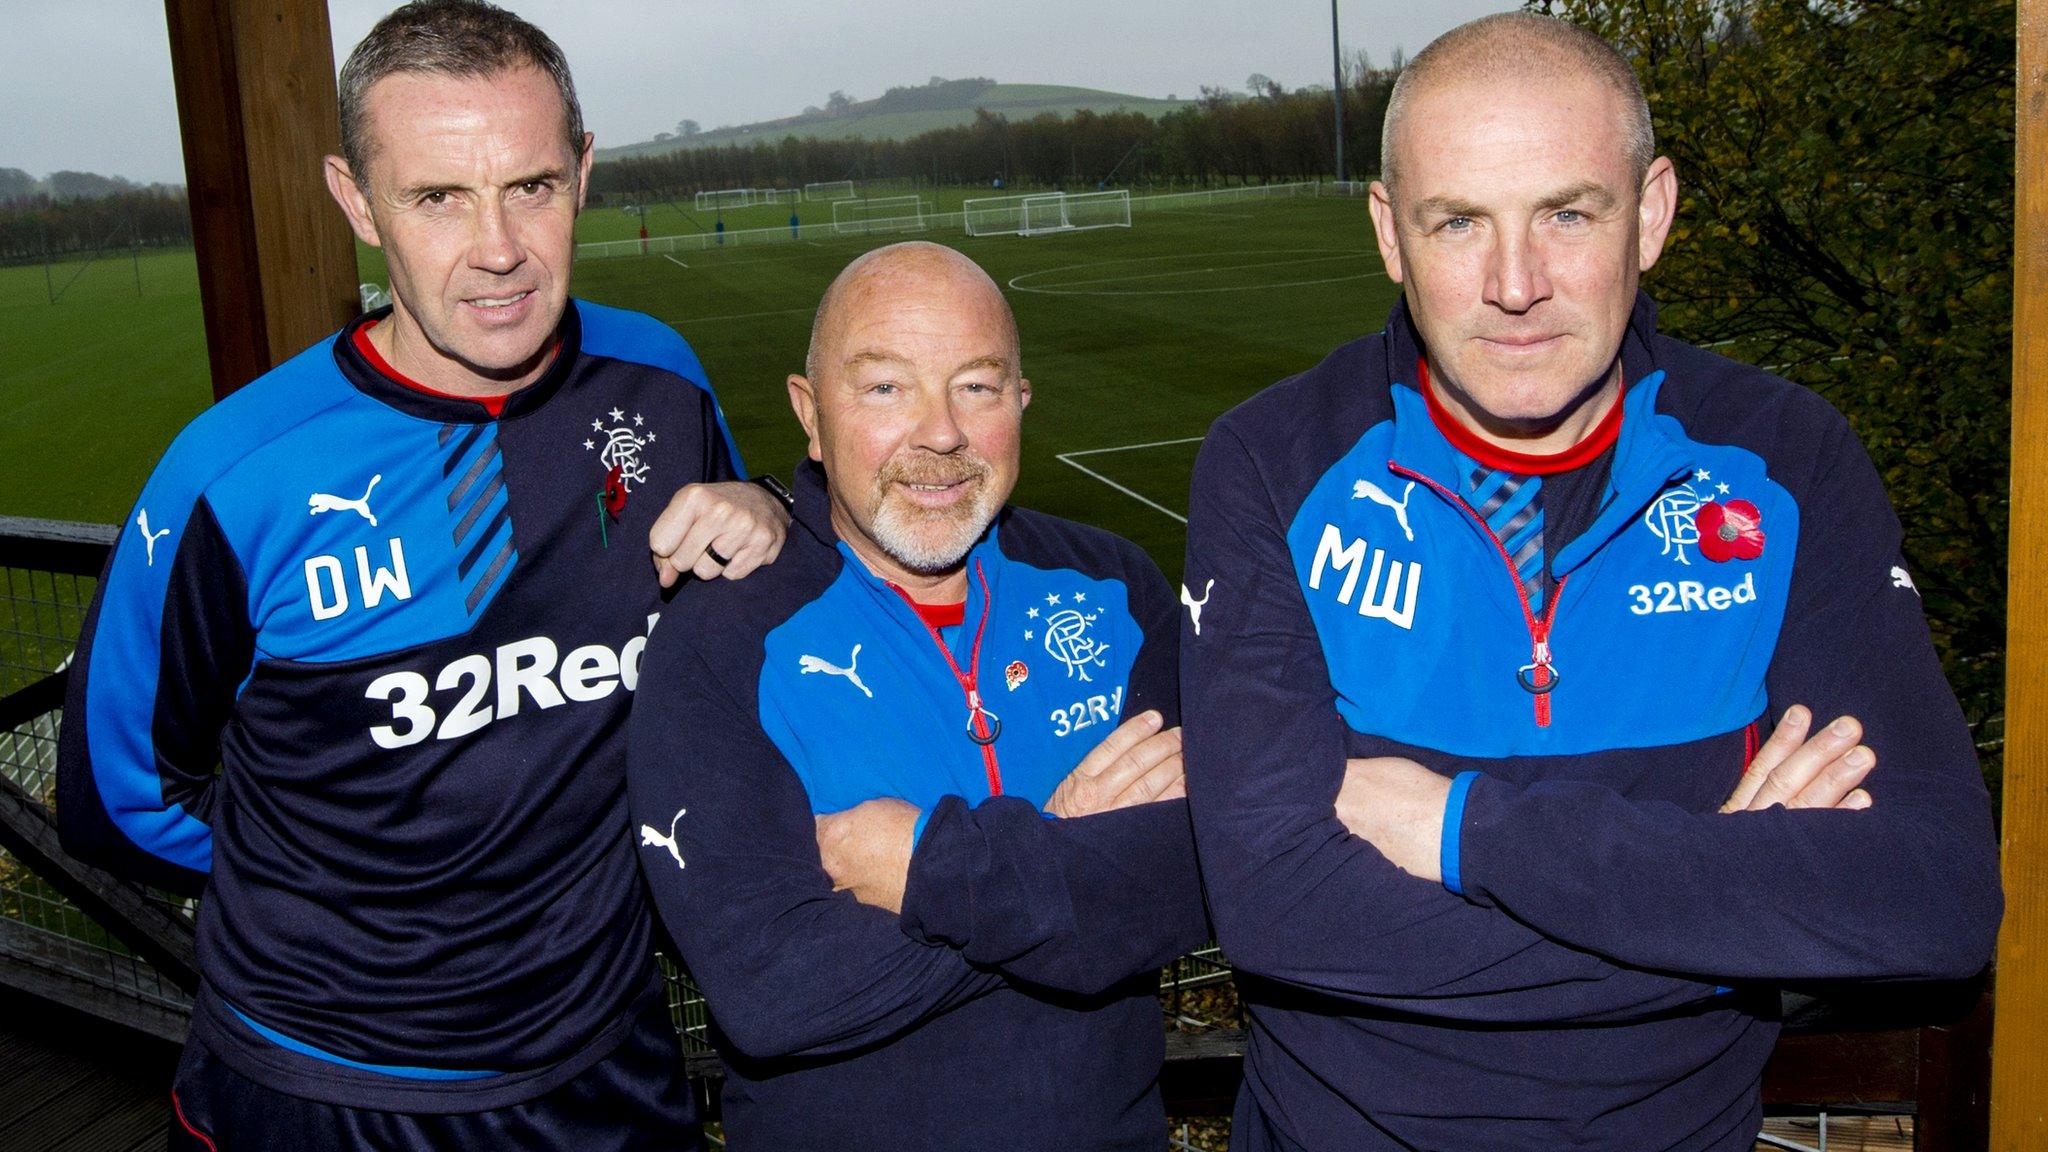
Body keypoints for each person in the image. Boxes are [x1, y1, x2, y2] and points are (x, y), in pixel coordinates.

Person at [1179, 12, 2002, 1151]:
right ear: (1388, 232)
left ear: (1650, 212)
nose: (1515, 284)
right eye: (1457, 220)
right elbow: (1278, 913)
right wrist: (1729, 910)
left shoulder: (1784, 461)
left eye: (1567, 214)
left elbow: (1931, 897)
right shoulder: (1274, 464)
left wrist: (1465, 830)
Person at [56, 2, 790, 1148]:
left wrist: (775, 516)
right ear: (355, 202)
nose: (497, 247)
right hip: (324, 1093)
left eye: (532, 186)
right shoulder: (237, 473)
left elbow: (736, 656)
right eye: (437, 196)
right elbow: (115, 799)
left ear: (585, 174)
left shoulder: (661, 385)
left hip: (608, 1060)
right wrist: (339, 889)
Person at [628, 241, 1208, 1150]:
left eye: (976, 386)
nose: (940, 434)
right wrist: (1066, 841)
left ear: (1021, 401)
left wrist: (934, 871)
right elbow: (773, 988)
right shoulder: (720, 643)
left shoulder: (1116, 589)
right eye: (886, 389)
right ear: (809, 416)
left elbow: (1197, 879)